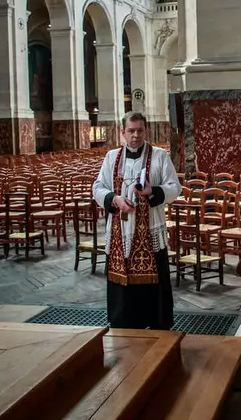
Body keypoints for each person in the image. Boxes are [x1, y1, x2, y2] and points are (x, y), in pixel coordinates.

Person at [93, 111, 181, 329]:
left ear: (146, 131)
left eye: (140, 130)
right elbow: (97, 187)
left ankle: (157, 324)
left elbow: (175, 188)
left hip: (150, 230)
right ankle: (123, 322)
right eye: (131, 131)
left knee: (155, 282)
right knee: (122, 284)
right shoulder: (111, 158)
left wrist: (153, 191)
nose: (135, 135)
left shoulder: (160, 156)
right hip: (120, 232)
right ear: (122, 132)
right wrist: (115, 199)